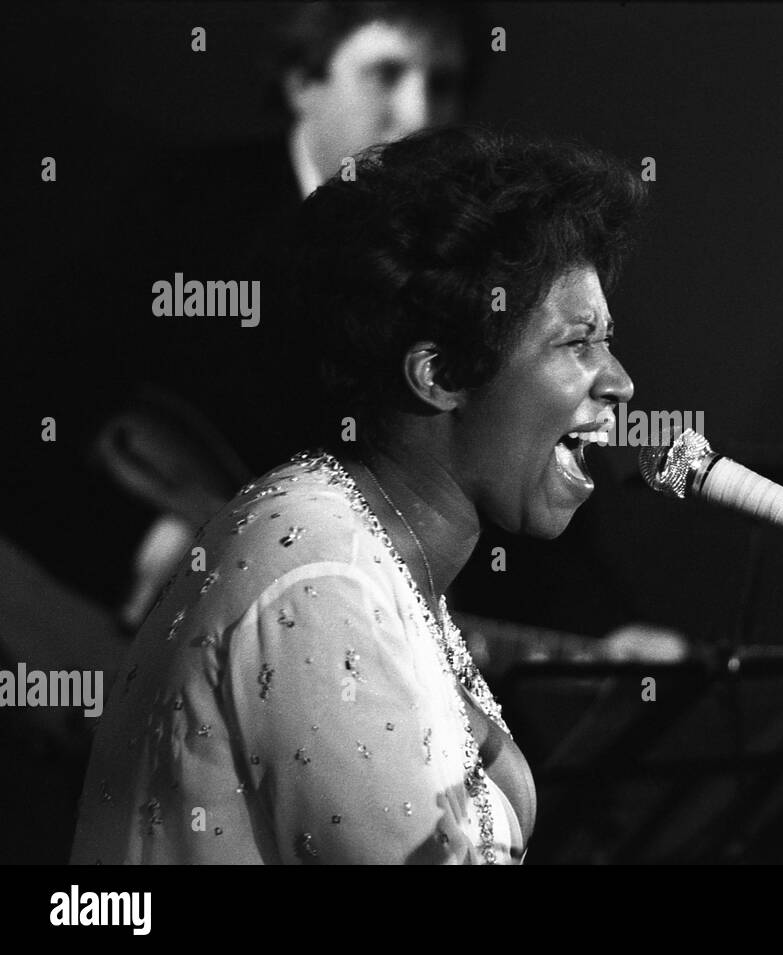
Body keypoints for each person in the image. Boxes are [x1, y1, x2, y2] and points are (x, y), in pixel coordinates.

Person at [70, 124, 647, 864]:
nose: (621, 382)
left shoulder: (371, 554)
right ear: (437, 374)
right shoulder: (321, 579)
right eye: (577, 341)